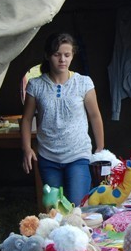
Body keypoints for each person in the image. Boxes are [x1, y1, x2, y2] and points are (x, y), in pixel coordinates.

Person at [21, 32, 105, 206]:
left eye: (67, 55)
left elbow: (95, 115)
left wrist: (100, 148)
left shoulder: (83, 83)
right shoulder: (36, 85)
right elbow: (27, 119)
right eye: (56, 54)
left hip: (78, 154)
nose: (62, 60)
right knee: (54, 208)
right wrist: (27, 148)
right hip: (48, 156)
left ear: (73, 55)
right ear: (47, 56)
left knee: (76, 205)